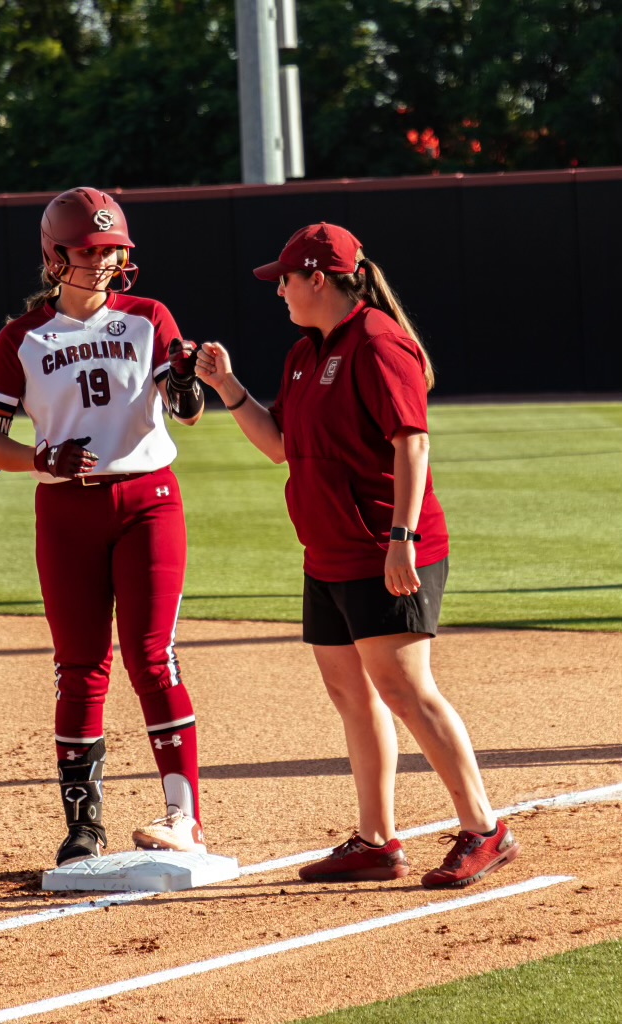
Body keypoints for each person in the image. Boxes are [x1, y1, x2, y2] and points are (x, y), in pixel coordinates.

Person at [195, 222, 520, 889]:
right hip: (329, 551)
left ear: (318, 278)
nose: (277, 289)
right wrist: (228, 388)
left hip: (386, 549)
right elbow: (280, 445)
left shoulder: (376, 343)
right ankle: (375, 840)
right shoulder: (303, 354)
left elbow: (413, 444)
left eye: (283, 278)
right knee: (350, 692)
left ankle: (485, 829)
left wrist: (400, 538)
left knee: (404, 687)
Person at [0, 186, 208, 866]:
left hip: (148, 498)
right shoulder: (23, 337)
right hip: (66, 509)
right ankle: (83, 825)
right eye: (89, 250)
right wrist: (40, 458)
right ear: (54, 255)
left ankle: (183, 815)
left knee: (151, 656)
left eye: (111, 250)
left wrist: (186, 378)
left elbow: (185, 409)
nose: (102, 261)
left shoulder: (148, 316)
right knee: (78, 668)